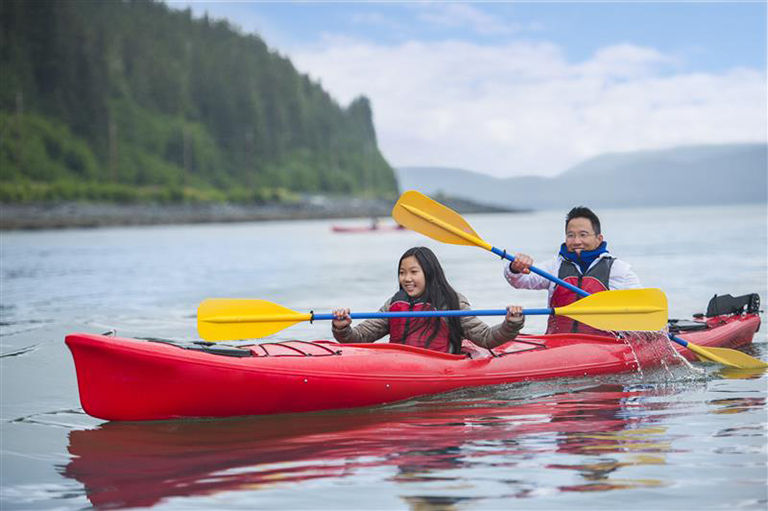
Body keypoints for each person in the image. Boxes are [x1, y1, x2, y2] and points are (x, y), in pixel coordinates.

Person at [332, 246, 524, 354]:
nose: (406, 279)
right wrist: (342, 327)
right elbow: (360, 336)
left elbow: (485, 337)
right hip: (396, 365)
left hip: (441, 367)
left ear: (429, 272)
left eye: (413, 272)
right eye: (402, 273)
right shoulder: (394, 303)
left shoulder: (451, 302)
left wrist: (511, 324)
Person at [504, 206, 640, 335]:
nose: (576, 241)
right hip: (558, 343)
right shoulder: (554, 267)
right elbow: (521, 281)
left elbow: (638, 308)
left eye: (583, 235)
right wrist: (515, 268)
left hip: (604, 345)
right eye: (570, 235)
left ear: (599, 239)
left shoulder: (619, 270)